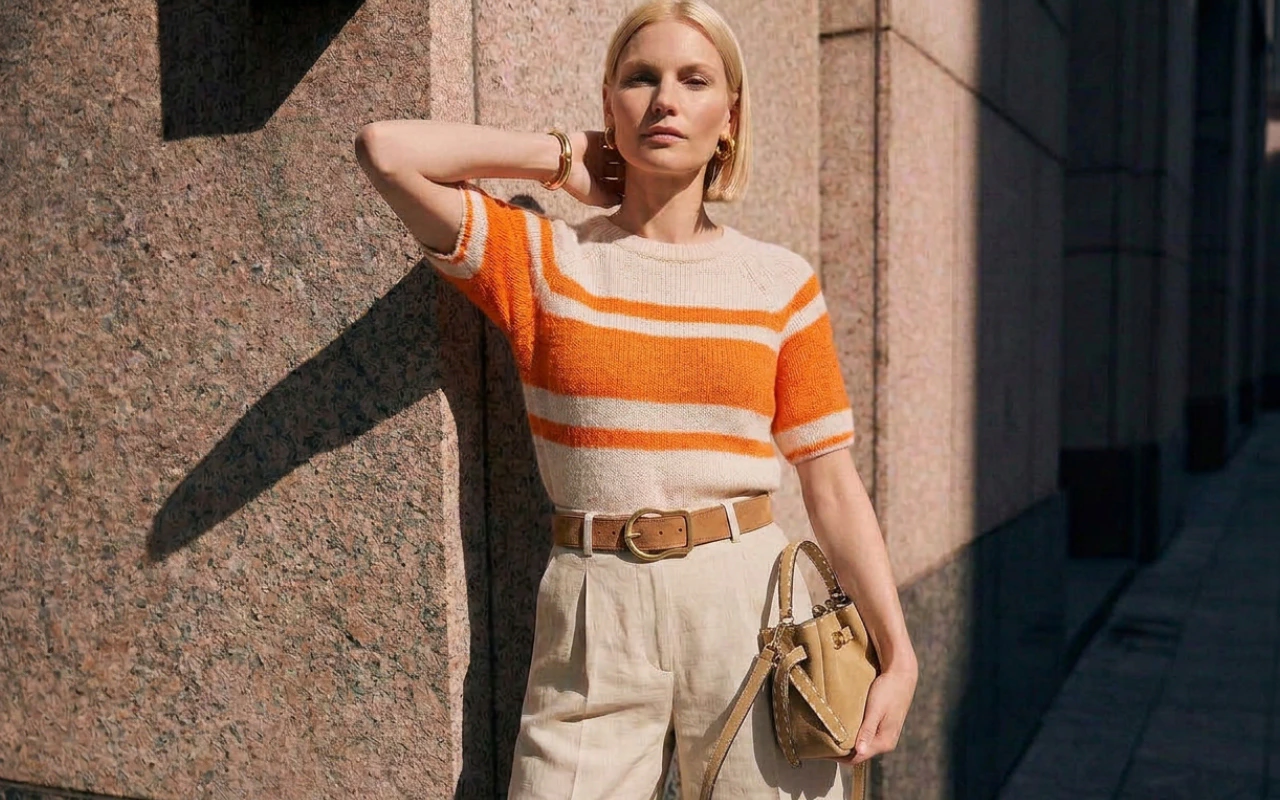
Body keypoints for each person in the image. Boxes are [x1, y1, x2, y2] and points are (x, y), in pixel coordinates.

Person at [354, 1, 917, 797]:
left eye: (694, 80)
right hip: (594, 607)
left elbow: (829, 481)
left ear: (730, 117)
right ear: (609, 106)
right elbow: (384, 149)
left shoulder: (779, 284)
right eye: (639, 78)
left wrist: (899, 653)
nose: (664, 99)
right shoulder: (547, 260)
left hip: (751, 604)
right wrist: (558, 156)